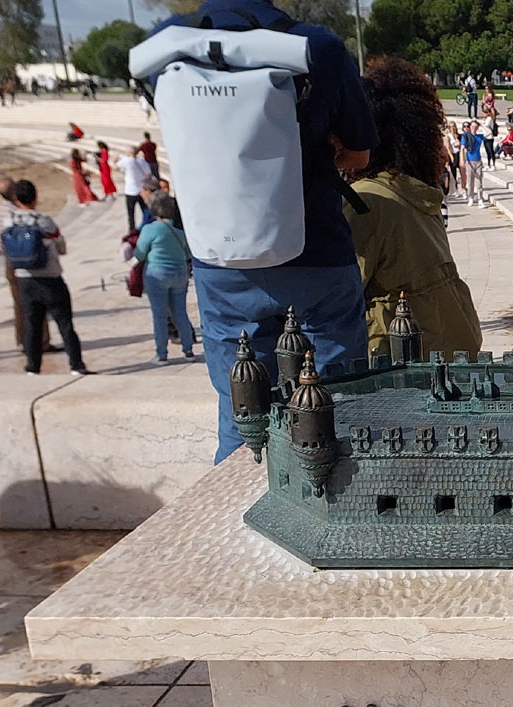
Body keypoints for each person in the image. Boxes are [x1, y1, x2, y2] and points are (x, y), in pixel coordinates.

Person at [151, 0, 377, 463]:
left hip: (223, 260)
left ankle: (234, 511)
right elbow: (360, 156)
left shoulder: (169, 43)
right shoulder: (319, 47)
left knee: (241, 412)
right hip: (317, 253)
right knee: (336, 405)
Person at [342, 57, 482, 363]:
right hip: (451, 346)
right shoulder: (415, 193)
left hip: (405, 361)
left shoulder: (367, 201)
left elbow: (337, 297)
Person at [9, 179, 90, 376]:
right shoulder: (43, 220)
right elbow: (60, 245)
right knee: (65, 323)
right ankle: (76, 365)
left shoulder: (9, 221)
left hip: (25, 279)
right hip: (50, 278)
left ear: (16, 199)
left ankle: (32, 367)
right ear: (35, 197)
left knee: (32, 325)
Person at [134, 192, 196, 364]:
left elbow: (139, 254)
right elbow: (188, 254)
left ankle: (162, 354)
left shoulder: (150, 230)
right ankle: (188, 349)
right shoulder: (180, 232)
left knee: (159, 315)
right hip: (180, 274)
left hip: (157, 275)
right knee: (180, 313)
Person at [0, 176, 54, 353]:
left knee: (18, 303)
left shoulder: (0, 211)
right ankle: (41, 342)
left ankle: (23, 341)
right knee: (37, 302)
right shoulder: (19, 213)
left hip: (10, 260)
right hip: (29, 259)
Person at [118, 145, 152, 232]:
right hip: (142, 190)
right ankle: (147, 225)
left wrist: (115, 158)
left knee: (131, 213)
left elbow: (116, 167)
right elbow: (148, 173)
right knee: (145, 210)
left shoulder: (126, 161)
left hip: (130, 191)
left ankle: (132, 230)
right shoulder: (143, 162)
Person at [461, 119, 486, 206]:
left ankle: (480, 199)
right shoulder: (466, 137)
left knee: (479, 181)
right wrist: (462, 160)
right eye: (472, 127)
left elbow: (490, 134)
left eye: (475, 127)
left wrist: (482, 126)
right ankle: (471, 197)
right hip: (469, 161)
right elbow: (462, 148)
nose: (473, 128)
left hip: (478, 161)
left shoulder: (479, 136)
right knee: (470, 181)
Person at [445, 121, 464, 195]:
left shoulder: (459, 135)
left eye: (454, 126)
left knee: (462, 172)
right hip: (453, 154)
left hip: (459, 154)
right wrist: (451, 157)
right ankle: (455, 189)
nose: (453, 128)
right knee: (454, 173)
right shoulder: (448, 136)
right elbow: (447, 148)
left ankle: (463, 188)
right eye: (451, 127)